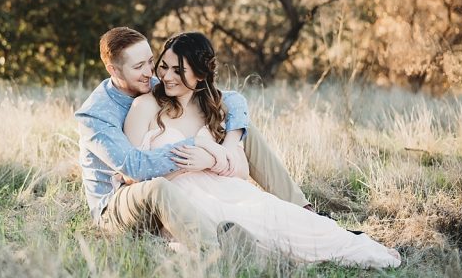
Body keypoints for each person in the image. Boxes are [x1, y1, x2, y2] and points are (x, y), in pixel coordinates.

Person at [121, 31, 399, 267]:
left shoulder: (211, 110)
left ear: (201, 75)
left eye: (178, 70)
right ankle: (249, 256)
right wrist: (182, 163)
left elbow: (240, 170)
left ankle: (344, 242)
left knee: (281, 218)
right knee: (239, 229)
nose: (166, 76)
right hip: (178, 198)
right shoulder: (144, 107)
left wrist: (208, 157)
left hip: (225, 188)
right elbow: (132, 175)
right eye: (164, 67)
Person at [76, 27, 319, 250]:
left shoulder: (152, 83)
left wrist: (228, 146)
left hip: (173, 188)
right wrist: (202, 147)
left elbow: (230, 100)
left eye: (151, 62)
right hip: (118, 205)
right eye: (139, 66)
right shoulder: (95, 115)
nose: (150, 73)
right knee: (157, 187)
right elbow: (134, 169)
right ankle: (216, 250)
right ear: (113, 70)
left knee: (241, 127)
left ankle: (302, 208)